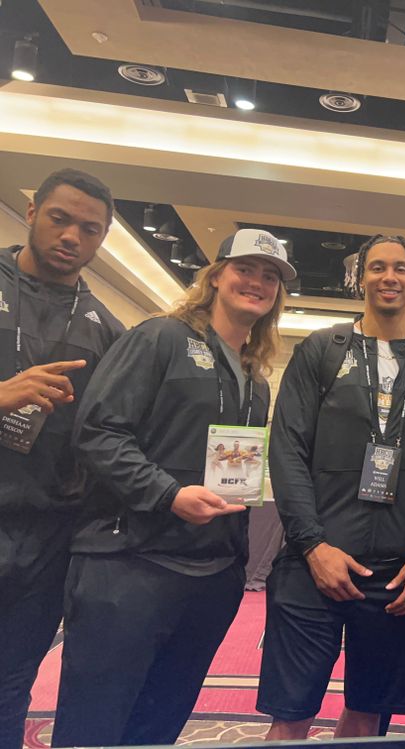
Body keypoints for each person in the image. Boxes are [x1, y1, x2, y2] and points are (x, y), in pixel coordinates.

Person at [51, 228, 293, 746]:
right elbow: (97, 431)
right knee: (94, 724)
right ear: (215, 276)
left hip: (210, 576)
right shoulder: (159, 337)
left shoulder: (256, 377)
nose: (256, 282)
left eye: (270, 276)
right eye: (245, 269)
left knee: (159, 723)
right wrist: (168, 494)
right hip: (129, 565)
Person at [258, 235, 405, 740]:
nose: (388, 277)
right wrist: (312, 545)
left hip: (397, 574)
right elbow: (287, 451)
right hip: (314, 563)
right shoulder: (321, 351)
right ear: (359, 278)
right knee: (291, 714)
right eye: (376, 268)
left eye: (400, 269)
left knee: (370, 715)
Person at [0, 169, 123, 749]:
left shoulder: (107, 330)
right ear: (31, 211)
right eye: (60, 218)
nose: (73, 235)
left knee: (13, 678)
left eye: (90, 229)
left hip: (49, 533)